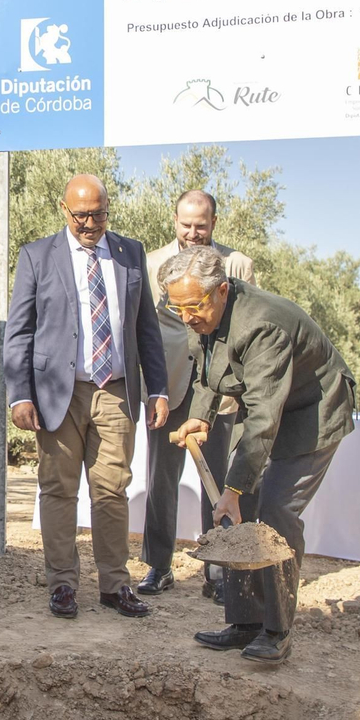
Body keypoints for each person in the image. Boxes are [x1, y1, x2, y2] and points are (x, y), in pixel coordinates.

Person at [165, 245, 356, 665]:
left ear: (221, 291)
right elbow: (206, 376)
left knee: (276, 515)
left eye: (193, 307)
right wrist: (200, 418)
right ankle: (245, 623)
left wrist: (232, 487)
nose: (187, 318)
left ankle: (277, 629)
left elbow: (264, 419)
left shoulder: (262, 325)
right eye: (177, 309)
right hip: (271, 406)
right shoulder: (200, 312)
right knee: (241, 513)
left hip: (312, 410)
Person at [5, 173, 168, 619]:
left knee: (112, 491)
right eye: (80, 215)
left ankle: (115, 585)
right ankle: (62, 585)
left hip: (115, 391)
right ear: (64, 210)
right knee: (58, 490)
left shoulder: (130, 252)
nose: (89, 223)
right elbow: (18, 331)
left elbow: (146, 330)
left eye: (98, 214)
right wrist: (19, 394)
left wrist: (158, 388)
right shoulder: (37, 255)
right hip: (58, 393)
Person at [139, 190, 255, 596]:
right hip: (168, 389)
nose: (192, 232)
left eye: (200, 226)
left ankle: (219, 571)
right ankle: (158, 566)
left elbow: (246, 329)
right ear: (175, 221)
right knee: (161, 480)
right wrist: (152, 389)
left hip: (220, 391)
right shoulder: (152, 262)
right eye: (186, 225)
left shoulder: (237, 264)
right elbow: (146, 334)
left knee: (219, 482)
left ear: (214, 224)